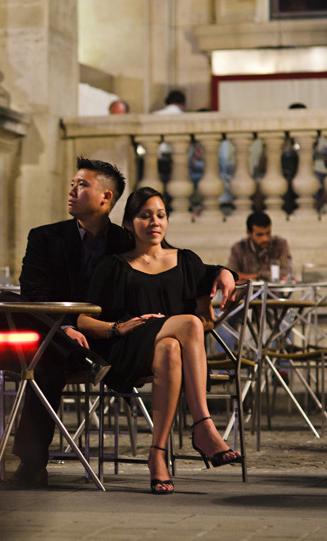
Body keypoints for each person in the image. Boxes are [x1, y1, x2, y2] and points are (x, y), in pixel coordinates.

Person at [3, 158, 236, 488]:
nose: (72, 190)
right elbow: (34, 294)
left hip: (118, 340)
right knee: (45, 361)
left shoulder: (124, 239)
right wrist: (68, 326)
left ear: (106, 197)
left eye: (82, 185)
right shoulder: (45, 238)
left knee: (175, 338)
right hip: (62, 335)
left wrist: (225, 272)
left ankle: (182, 439)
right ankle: (32, 462)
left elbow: (172, 261)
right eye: (72, 183)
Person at [77, 187, 243, 494]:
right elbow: (84, 321)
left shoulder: (186, 261)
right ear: (128, 224)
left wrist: (226, 273)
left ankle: (158, 455)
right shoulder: (114, 266)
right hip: (127, 349)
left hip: (172, 353)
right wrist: (118, 327)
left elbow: (208, 307)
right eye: (145, 216)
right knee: (188, 324)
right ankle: (203, 425)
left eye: (161, 215)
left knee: (170, 347)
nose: (155, 222)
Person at [227, 211, 293, 281]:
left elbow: (288, 272)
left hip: (273, 291)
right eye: (259, 235)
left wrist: (258, 276)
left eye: (268, 233)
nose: (265, 239)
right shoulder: (239, 248)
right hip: (249, 291)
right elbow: (230, 275)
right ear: (249, 233)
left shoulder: (279, 244)